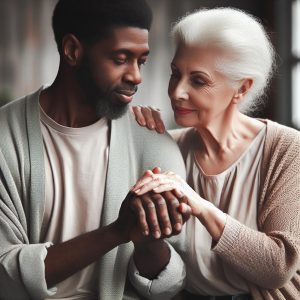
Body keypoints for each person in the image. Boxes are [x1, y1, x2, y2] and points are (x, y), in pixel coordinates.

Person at [0, 0, 191, 299]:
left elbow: (170, 285)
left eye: (141, 61)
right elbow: (4, 275)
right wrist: (116, 232)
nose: (136, 76)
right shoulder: (4, 138)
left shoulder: (152, 142)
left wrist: (147, 242)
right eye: (120, 58)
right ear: (73, 50)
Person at [129, 7, 300, 300]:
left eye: (198, 80)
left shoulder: (286, 149)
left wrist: (199, 205)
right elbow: (157, 271)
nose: (177, 92)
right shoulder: (166, 147)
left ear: (241, 88)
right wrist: (136, 140)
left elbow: (277, 265)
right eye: (175, 74)